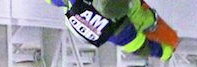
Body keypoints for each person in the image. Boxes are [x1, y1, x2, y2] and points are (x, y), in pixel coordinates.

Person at [47, 0, 179, 60]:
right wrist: (166, 52)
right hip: (94, 22)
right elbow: (140, 47)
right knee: (144, 19)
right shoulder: (120, 31)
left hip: (80, 17)